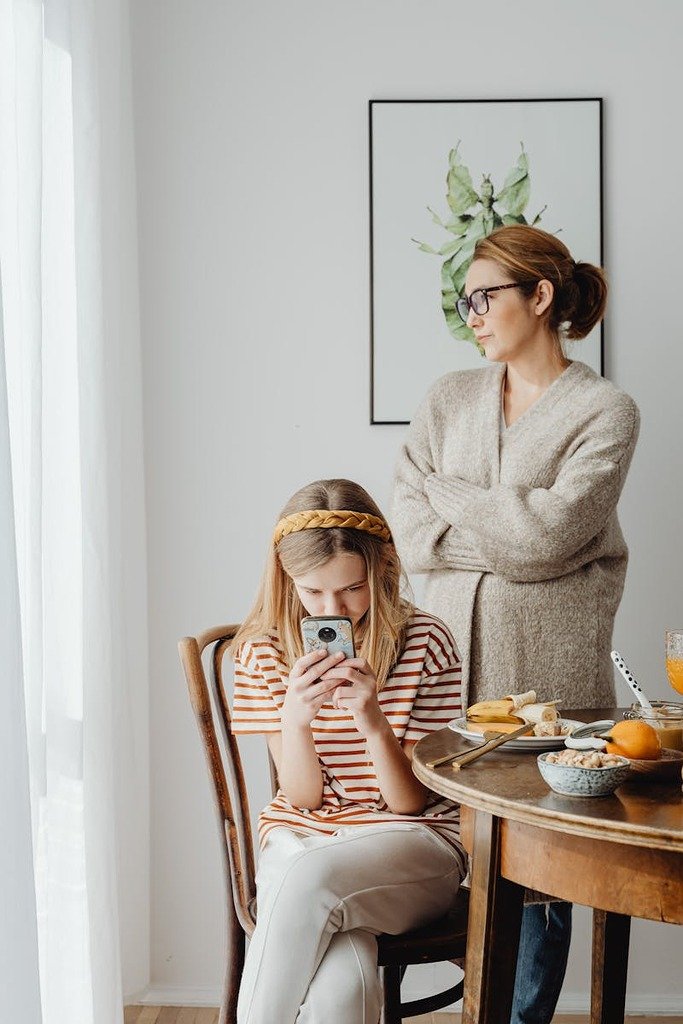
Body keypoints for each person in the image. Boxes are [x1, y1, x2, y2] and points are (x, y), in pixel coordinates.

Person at [391, 224, 640, 1024]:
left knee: (539, 869)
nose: (470, 314)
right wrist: (510, 525)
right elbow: (407, 532)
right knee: (447, 847)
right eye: (463, 301)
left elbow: (548, 540)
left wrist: (454, 498)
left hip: (551, 676)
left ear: (539, 297)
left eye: (483, 297)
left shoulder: (604, 410)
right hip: (446, 661)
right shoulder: (447, 397)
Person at [229, 478, 468, 1024]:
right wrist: (295, 720)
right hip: (304, 833)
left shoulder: (426, 640)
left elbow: (411, 804)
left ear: (381, 571)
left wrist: (374, 723)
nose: (334, 609)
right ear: (287, 582)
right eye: (313, 592)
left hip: (414, 843)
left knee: (305, 877)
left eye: (351, 589)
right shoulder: (262, 652)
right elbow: (304, 797)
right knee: (343, 979)